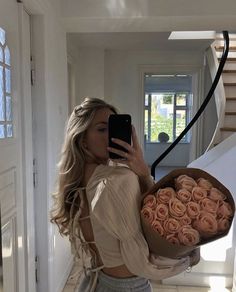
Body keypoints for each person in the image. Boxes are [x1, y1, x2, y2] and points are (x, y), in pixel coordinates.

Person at [51, 97, 199, 292]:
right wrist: (187, 256)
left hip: (97, 281)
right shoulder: (116, 181)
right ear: (82, 139)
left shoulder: (77, 181)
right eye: (102, 129)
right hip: (127, 287)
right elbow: (144, 254)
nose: (111, 135)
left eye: (113, 128)